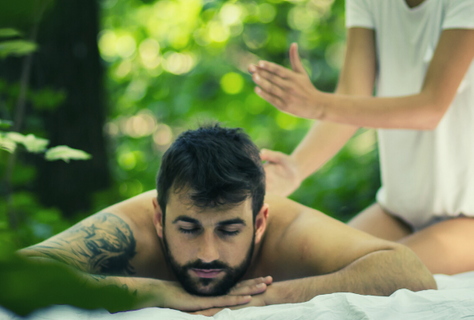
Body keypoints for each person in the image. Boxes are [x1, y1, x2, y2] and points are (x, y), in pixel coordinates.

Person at [18, 124, 436, 315]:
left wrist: (264, 298)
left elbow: (409, 271)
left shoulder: (288, 231)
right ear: (160, 219)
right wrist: (159, 292)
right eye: (188, 228)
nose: (207, 253)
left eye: (230, 229)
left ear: (259, 221)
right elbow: (19, 270)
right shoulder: (131, 230)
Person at [248, 0, 474, 275]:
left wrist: (316, 103)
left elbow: (431, 108)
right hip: (399, 210)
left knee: (360, 278)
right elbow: (352, 99)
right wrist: (295, 169)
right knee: (306, 270)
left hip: (468, 219)